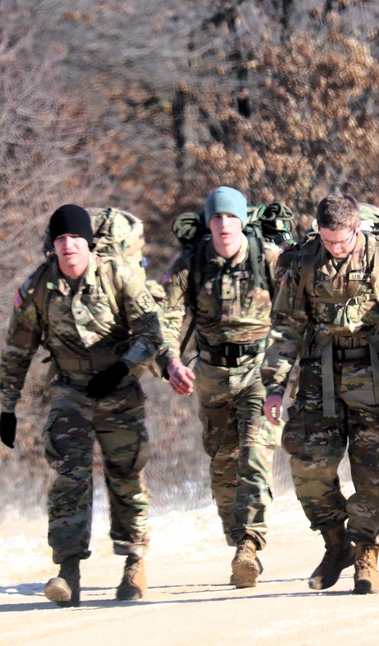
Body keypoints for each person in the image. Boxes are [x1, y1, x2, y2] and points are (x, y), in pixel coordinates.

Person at [262, 192, 379, 595]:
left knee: (374, 470)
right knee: (308, 466)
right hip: (319, 375)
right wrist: (273, 386)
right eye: (328, 240)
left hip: (373, 375)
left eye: (342, 240)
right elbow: (286, 325)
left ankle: (366, 553)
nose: (335, 249)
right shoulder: (305, 261)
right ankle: (335, 543)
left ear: (357, 228)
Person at [0, 204, 164, 606]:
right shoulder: (39, 286)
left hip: (118, 387)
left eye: (75, 238)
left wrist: (123, 367)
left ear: (88, 242)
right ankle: (68, 570)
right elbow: (18, 348)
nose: (68, 246)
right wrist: (7, 405)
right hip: (70, 389)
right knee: (69, 473)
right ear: (52, 245)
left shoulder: (117, 276)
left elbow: (152, 331)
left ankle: (134, 561)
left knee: (125, 472)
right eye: (60, 239)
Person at [158, 186, 283, 589]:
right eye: (217, 218)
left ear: (242, 221)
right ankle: (237, 543)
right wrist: (171, 360)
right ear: (208, 223)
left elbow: (298, 311)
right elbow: (167, 315)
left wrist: (292, 366)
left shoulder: (268, 259)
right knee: (222, 464)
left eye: (231, 218)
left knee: (254, 456)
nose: (224, 225)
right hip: (210, 374)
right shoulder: (191, 263)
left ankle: (250, 543)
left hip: (258, 372)